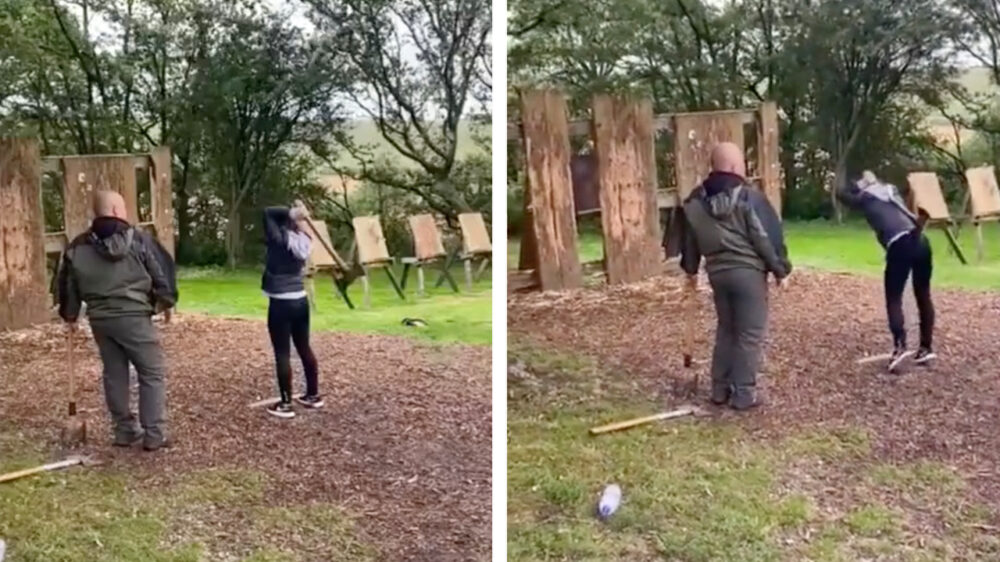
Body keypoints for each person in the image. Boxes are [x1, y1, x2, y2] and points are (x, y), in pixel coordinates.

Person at [57, 191, 177, 451]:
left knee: (114, 373)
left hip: (101, 320)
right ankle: (154, 434)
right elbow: (162, 273)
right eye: (122, 208)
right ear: (114, 210)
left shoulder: (77, 246)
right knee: (151, 373)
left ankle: (124, 431)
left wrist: (70, 315)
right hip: (134, 317)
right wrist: (164, 302)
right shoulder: (140, 240)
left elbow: (67, 284)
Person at [680, 142, 791, 410]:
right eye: (741, 164)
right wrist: (781, 269)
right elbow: (766, 237)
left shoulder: (694, 201)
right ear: (733, 166)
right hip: (748, 274)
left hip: (717, 274)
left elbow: (689, 240)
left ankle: (719, 390)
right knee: (749, 334)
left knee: (727, 330)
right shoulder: (749, 197)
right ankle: (743, 394)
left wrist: (691, 269)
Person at [833, 170, 935, 370]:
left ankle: (900, 347)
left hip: (899, 244)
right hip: (921, 241)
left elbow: (842, 195)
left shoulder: (866, 197)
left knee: (893, 298)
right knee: (923, 295)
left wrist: (843, 182)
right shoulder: (890, 191)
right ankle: (926, 348)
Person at [262, 201, 323, 419]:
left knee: (282, 353)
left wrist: (292, 212)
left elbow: (267, 211)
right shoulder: (305, 239)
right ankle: (313, 395)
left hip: (281, 302)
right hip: (300, 299)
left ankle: (286, 404)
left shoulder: (279, 239)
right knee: (304, 347)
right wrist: (297, 215)